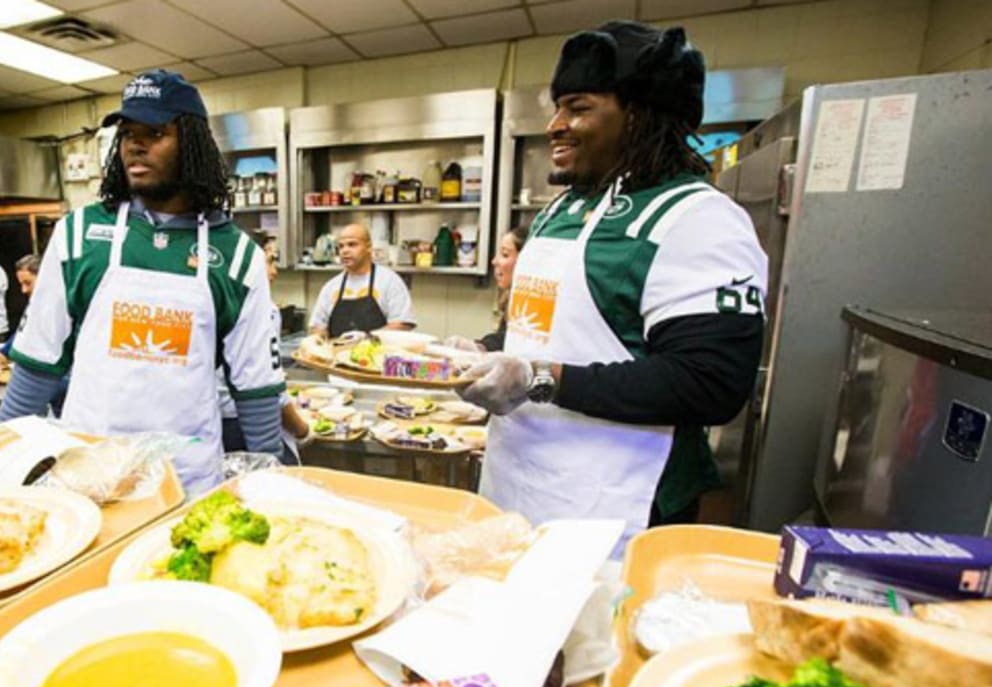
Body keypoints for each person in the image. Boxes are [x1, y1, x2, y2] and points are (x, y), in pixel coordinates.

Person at [457, 21, 767, 553]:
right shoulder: (563, 209)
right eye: (557, 108)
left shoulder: (697, 218)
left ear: (641, 113)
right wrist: (490, 351)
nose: (555, 125)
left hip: (616, 504)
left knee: (592, 635)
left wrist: (539, 378)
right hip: (521, 482)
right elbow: (547, 326)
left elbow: (711, 382)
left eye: (578, 107)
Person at [0, 69, 285, 494]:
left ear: (192, 143)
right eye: (128, 132)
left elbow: (256, 390)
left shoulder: (239, 257)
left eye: (154, 132)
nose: (135, 143)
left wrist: (269, 485)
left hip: (185, 480)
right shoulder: (79, 235)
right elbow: (39, 365)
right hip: (86, 474)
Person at [219, 233, 312, 462]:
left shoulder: (216, 296)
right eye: (269, 260)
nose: (275, 270)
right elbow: (268, 388)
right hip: (242, 425)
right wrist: (304, 431)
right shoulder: (263, 312)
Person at [0, 255, 67, 416]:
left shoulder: (60, 303)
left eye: (28, 283)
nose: (24, 290)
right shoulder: (38, 303)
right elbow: (26, 331)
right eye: (21, 284)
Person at [308, 223, 415, 338]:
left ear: (369, 247)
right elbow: (317, 326)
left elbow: (402, 324)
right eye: (341, 246)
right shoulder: (331, 287)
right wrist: (319, 341)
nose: (345, 251)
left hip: (379, 353)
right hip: (337, 353)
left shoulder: (389, 281)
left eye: (352, 244)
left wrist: (367, 339)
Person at [444, 225, 529, 353]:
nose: (494, 261)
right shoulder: (511, 299)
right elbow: (503, 338)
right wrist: (480, 347)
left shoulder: (538, 306)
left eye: (505, 255)